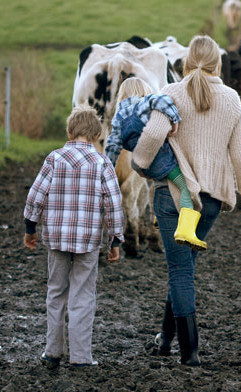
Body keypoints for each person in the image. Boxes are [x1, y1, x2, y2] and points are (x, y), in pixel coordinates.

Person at [131, 35, 241, 366]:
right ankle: (165, 341)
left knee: (179, 270)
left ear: (186, 62)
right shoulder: (231, 99)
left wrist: (139, 164)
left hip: (173, 196)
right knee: (184, 267)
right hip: (211, 201)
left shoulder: (171, 94)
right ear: (218, 63)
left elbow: (153, 135)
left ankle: (190, 352)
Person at [23, 106, 125, 368]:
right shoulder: (103, 163)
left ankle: (52, 351)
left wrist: (30, 227)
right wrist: (115, 239)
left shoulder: (54, 159)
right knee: (83, 294)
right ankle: (81, 356)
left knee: (56, 292)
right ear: (96, 134)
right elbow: (113, 204)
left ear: (69, 131)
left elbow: (36, 195)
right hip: (88, 241)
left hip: (56, 239)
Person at [105, 77, 206, 250]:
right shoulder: (144, 103)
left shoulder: (118, 117)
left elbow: (112, 145)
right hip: (160, 158)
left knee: (157, 184)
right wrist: (174, 121)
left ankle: (158, 216)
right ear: (143, 90)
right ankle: (186, 231)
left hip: (140, 164)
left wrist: (107, 168)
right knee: (185, 187)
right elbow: (163, 100)